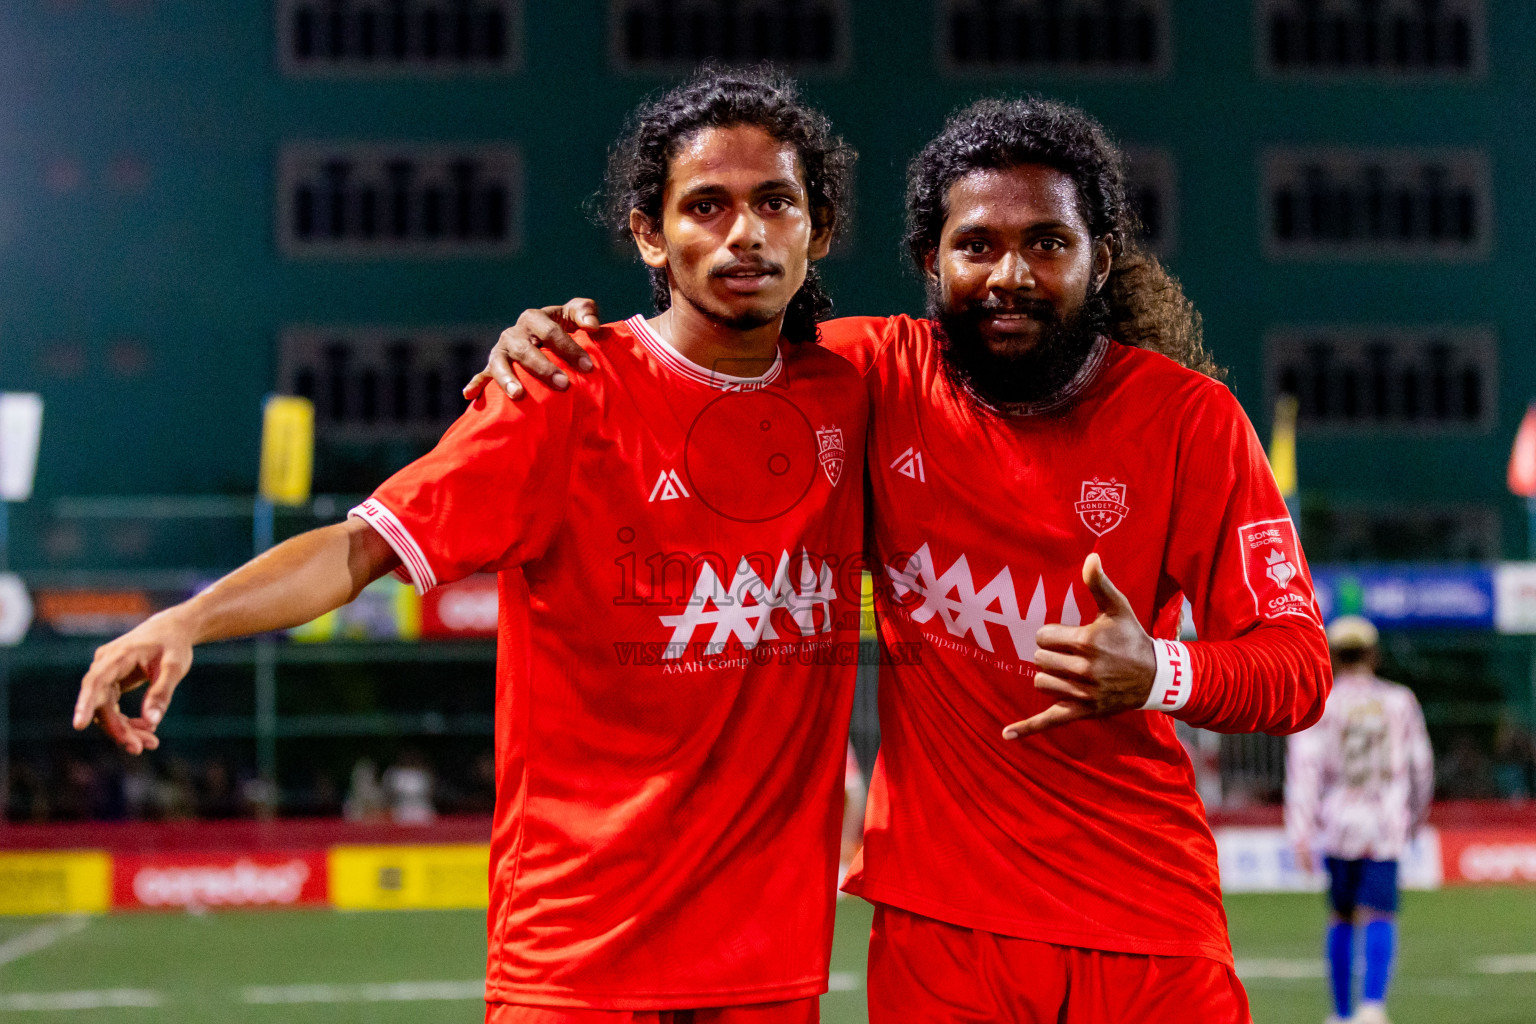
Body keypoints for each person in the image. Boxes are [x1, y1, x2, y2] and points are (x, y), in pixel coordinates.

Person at [473, 96, 1333, 1023]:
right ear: (931, 259)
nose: (1011, 274)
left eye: (1048, 242)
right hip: (939, 935)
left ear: (1101, 258)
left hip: (1148, 925)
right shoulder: (868, 379)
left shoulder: (1189, 422)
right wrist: (552, 351)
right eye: (976, 245)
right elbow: (693, 360)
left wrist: (1159, 669)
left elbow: (1297, 670)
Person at [73, 67, 868, 1023]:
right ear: (650, 234)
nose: (744, 232)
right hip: (577, 958)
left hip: (764, 964)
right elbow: (360, 546)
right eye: (707, 204)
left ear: (817, 228)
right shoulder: (561, 390)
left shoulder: (863, 392)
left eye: (774, 201)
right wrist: (191, 618)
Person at [1286, 615, 1433, 1024]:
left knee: (1342, 914)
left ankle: (1340, 1012)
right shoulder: (1400, 701)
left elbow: (1305, 771)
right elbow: (1421, 766)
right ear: (1373, 654)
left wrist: (1300, 831)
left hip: (1337, 824)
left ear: (1331, 655)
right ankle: (1372, 1006)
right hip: (1385, 822)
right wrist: (1416, 820)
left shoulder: (1321, 702)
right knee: (1381, 913)